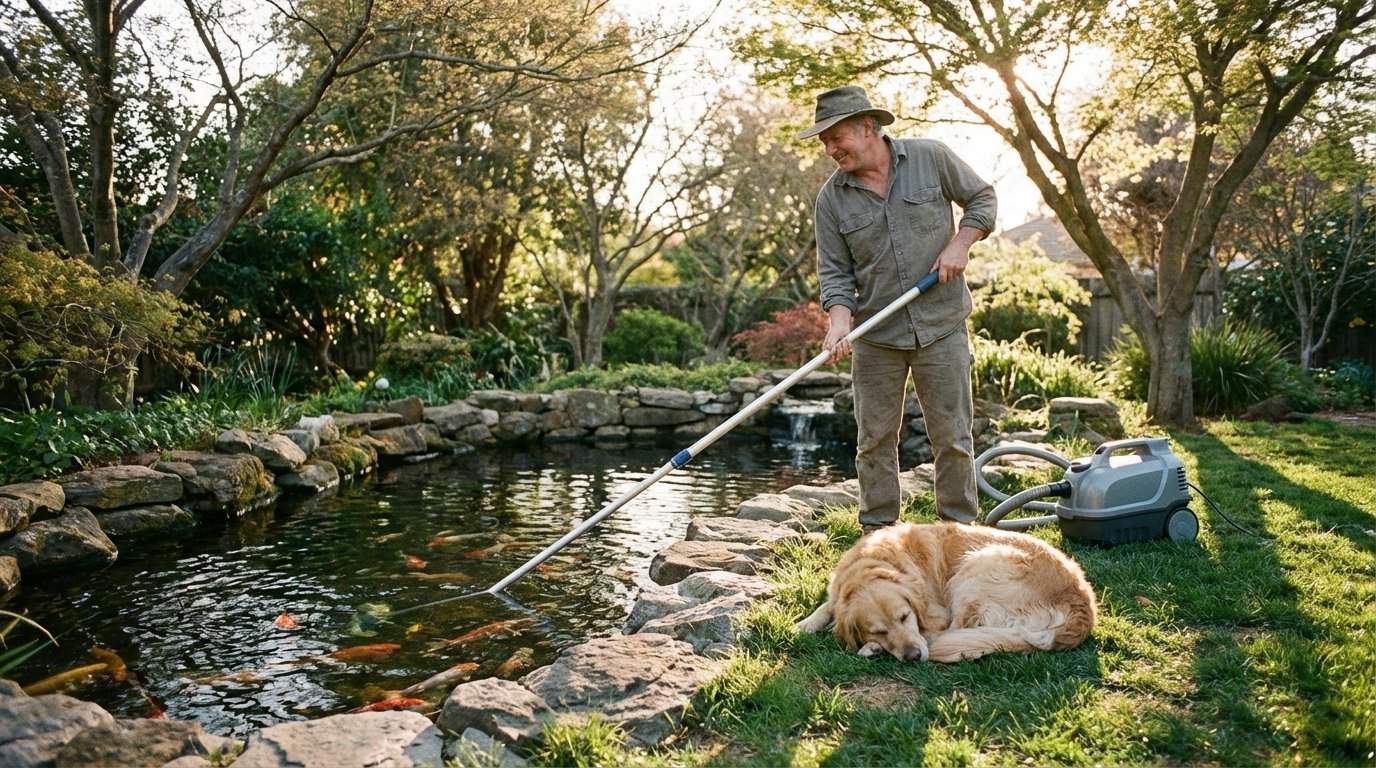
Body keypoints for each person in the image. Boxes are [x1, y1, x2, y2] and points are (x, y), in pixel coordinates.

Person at [799, 85, 996, 532]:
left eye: (836, 138)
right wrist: (839, 323)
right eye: (824, 142)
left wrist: (961, 243)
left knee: (952, 438)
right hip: (875, 337)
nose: (830, 150)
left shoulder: (932, 158)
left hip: (941, 326)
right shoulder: (831, 199)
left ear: (869, 128)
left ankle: (959, 533)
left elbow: (982, 199)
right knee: (874, 442)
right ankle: (878, 536)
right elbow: (834, 272)